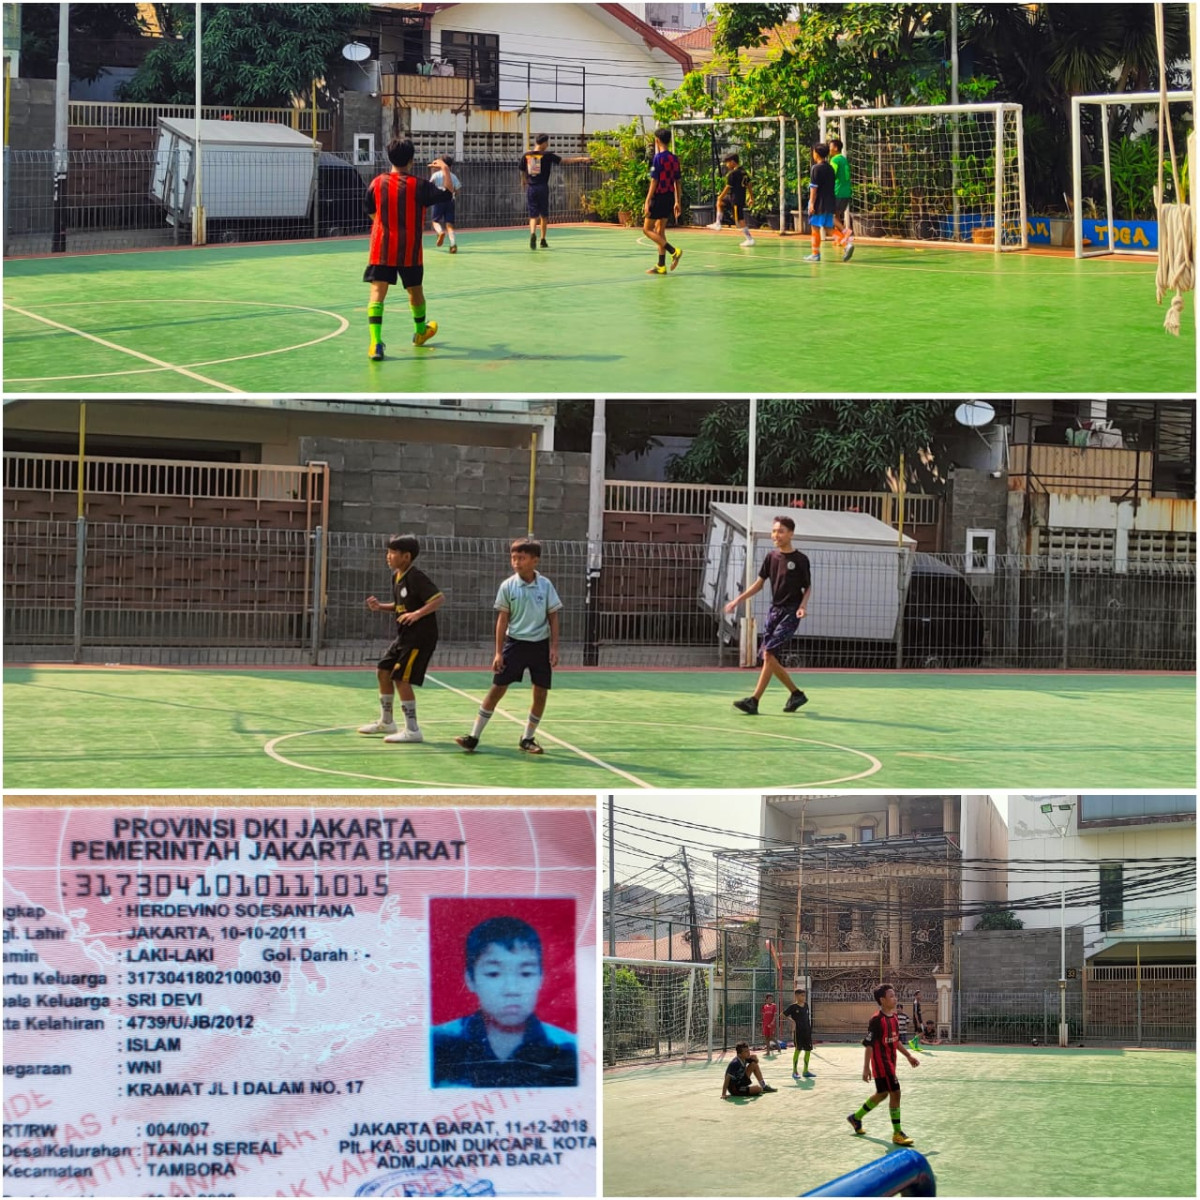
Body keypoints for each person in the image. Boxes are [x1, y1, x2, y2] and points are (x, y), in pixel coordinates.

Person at [431, 915, 577, 1088]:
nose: (512, 990)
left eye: (526, 973)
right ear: (470, 979)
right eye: (493, 973)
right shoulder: (435, 1045)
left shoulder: (569, 1048)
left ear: (541, 978)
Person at [455, 538, 562, 756]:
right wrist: (497, 652)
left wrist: (554, 647)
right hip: (515, 645)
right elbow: (502, 620)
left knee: (540, 693)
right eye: (513, 558)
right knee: (497, 690)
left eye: (521, 558)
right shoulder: (507, 586)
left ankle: (528, 738)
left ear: (535, 560)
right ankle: (473, 736)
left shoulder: (546, 585)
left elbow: (553, 617)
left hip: (540, 646)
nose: (516, 562)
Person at [363, 137, 457, 359]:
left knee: (377, 294)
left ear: (389, 158)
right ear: (412, 160)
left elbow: (369, 209)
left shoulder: (377, 182)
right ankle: (420, 332)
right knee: (415, 292)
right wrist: (444, 168)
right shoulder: (420, 186)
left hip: (382, 247)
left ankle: (375, 343)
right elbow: (447, 194)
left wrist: (384, 225)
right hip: (410, 250)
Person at [358, 534, 445, 744]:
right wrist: (380, 607)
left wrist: (417, 614)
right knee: (383, 670)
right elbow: (400, 606)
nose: (388, 556)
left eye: (392, 553)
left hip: (420, 637)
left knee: (401, 678)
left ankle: (413, 730)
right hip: (404, 636)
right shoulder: (397, 576)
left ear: (406, 557)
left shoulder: (416, 576)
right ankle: (386, 721)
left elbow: (438, 599)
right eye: (388, 552)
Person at [724, 515, 812, 715]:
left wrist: (803, 607)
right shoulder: (771, 558)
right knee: (768, 657)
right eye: (774, 531)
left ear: (791, 533)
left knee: (769, 654)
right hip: (774, 611)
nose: (776, 535)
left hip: (791, 611)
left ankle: (758, 699)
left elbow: (807, 587)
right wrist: (738, 600)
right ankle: (790, 694)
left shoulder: (800, 560)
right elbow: (759, 583)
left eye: (780, 531)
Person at [847, 983, 920, 1146]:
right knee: (896, 1092)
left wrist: (908, 1055)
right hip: (881, 1064)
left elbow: (895, 1041)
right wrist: (866, 1068)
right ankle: (897, 1133)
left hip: (891, 1062)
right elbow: (869, 1044)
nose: (895, 998)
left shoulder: (894, 1018)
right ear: (882, 1000)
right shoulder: (876, 1020)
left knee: (882, 1094)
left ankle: (856, 1117)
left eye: (895, 995)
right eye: (891, 996)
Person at [520, 133, 592, 249]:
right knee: (544, 215)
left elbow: (522, 171)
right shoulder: (547, 155)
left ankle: (533, 233)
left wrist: (523, 181)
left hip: (531, 188)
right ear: (543, 143)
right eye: (547, 143)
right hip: (543, 187)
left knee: (533, 215)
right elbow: (565, 161)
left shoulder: (527, 155)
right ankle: (543, 239)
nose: (548, 145)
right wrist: (582, 159)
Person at [643, 127, 683, 275]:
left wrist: (647, 201)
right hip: (669, 197)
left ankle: (674, 251)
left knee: (647, 229)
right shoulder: (674, 158)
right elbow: (677, 182)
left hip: (658, 197)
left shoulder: (658, 158)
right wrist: (677, 201)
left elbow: (654, 181)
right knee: (660, 231)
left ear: (657, 140)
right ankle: (661, 266)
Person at [709, 152, 755, 246]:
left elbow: (728, 187)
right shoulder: (744, 172)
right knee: (720, 202)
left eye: (727, 162)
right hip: (734, 197)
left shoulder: (733, 173)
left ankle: (749, 239)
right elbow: (749, 185)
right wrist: (751, 197)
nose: (727, 165)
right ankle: (718, 223)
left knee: (739, 219)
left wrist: (720, 196)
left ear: (733, 162)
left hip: (736, 199)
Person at [805, 142, 837, 264]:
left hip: (819, 203)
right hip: (830, 201)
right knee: (829, 228)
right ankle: (846, 243)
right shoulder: (830, 168)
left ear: (816, 154)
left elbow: (814, 188)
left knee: (815, 228)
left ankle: (815, 254)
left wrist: (812, 203)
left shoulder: (815, 168)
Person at [429, 154, 462, 254]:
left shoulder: (436, 175)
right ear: (450, 166)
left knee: (435, 221)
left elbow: (430, 185)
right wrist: (454, 195)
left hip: (438, 200)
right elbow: (458, 189)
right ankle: (453, 245)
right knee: (449, 224)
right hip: (450, 201)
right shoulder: (453, 176)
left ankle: (440, 232)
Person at [829, 136, 854, 261]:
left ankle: (845, 232)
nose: (829, 148)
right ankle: (839, 239)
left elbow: (831, 174)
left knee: (829, 215)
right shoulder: (844, 159)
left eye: (830, 146)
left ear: (836, 148)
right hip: (846, 191)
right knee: (837, 214)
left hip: (837, 191)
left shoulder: (835, 160)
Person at [783, 987, 815, 1079]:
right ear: (796, 996)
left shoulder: (806, 1005)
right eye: (802, 995)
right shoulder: (793, 1007)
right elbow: (783, 1015)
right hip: (798, 1032)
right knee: (798, 1050)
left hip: (807, 1031)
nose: (804, 997)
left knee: (808, 1050)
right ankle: (794, 1071)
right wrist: (792, 1021)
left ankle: (805, 1071)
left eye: (804, 995)